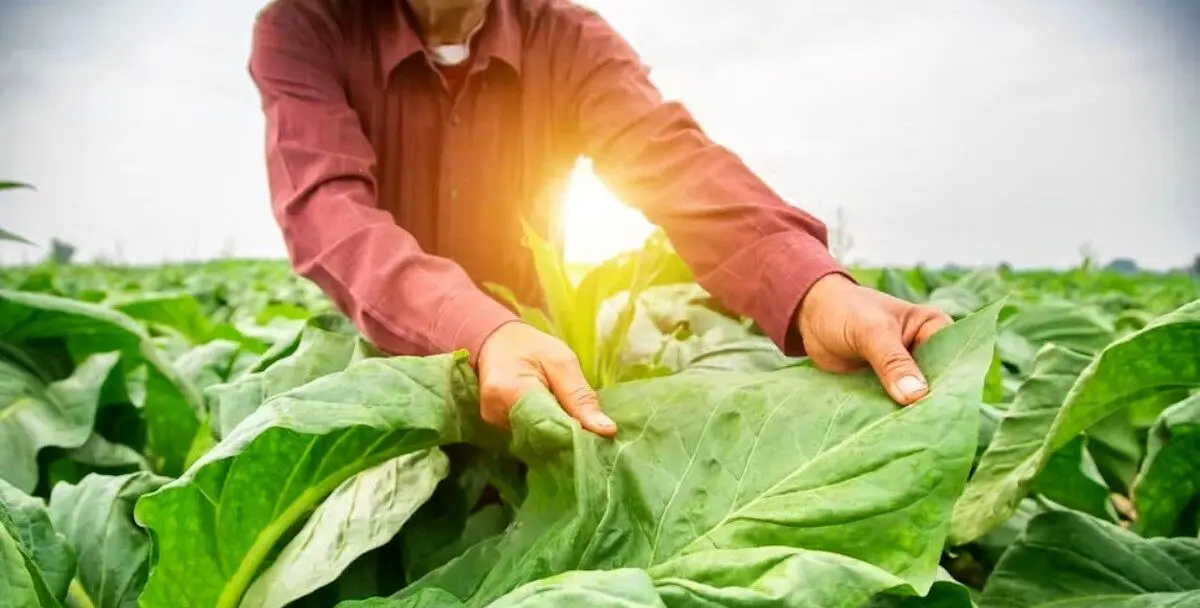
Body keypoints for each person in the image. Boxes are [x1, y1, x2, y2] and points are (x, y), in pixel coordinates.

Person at [248, 0, 952, 437]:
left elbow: (672, 162)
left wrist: (816, 289)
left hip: (543, 371)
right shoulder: (305, 27)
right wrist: (479, 330)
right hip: (380, 370)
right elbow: (329, 211)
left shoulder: (567, 38)